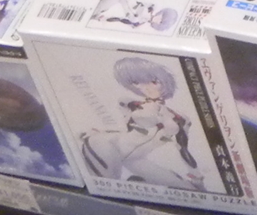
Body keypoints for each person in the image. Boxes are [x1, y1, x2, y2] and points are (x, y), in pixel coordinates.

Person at [81, 56, 205, 190]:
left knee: (186, 188)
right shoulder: (131, 104)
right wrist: (101, 132)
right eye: (136, 82)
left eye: (153, 81)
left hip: (135, 159)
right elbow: (124, 127)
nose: (145, 87)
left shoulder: (181, 119)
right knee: (109, 186)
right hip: (106, 145)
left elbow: (183, 149)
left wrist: (197, 177)